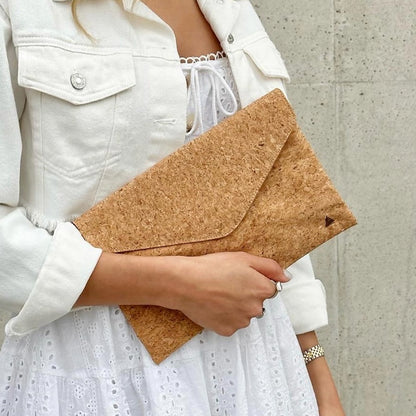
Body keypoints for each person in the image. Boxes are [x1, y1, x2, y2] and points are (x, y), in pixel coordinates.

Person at [0, 0, 345, 414]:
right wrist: (179, 285)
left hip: (257, 368)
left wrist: (315, 372)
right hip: (95, 371)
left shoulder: (232, 8)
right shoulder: (23, 10)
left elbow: (270, 212)